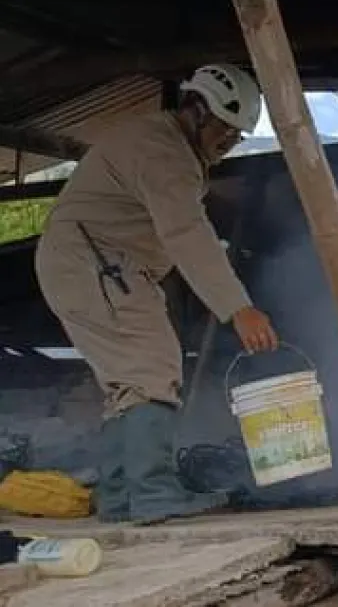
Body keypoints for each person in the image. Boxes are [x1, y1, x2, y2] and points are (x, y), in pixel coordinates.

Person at [34, 63, 280, 525]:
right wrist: (239, 308)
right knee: (153, 368)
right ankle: (153, 493)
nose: (229, 142)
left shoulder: (160, 143)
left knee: (130, 381)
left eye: (238, 136)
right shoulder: (164, 151)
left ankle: (121, 496)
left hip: (96, 265)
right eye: (225, 129)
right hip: (96, 264)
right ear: (197, 109)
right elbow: (186, 233)